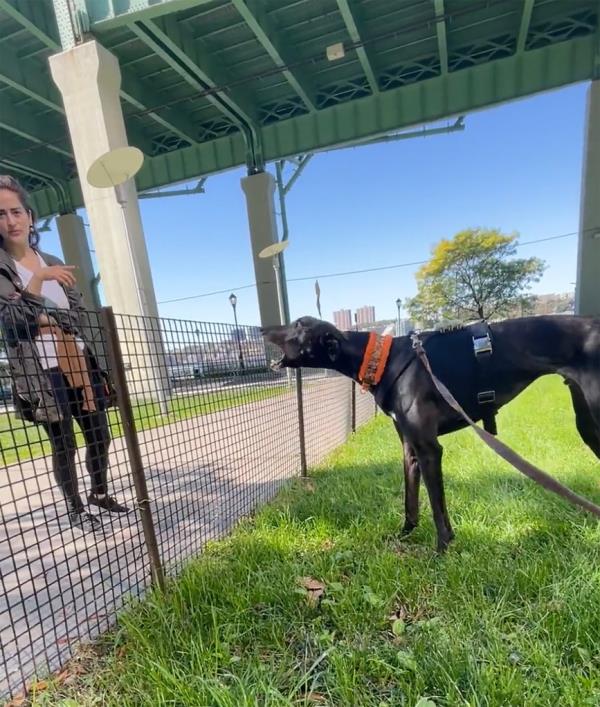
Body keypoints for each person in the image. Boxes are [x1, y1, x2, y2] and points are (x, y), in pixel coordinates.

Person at [0, 175, 129, 530]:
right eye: (0, 214)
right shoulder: (3, 267)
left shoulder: (51, 257)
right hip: (41, 371)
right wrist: (38, 281)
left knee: (100, 433)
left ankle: (98, 493)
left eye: (16, 211)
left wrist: (44, 316)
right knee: (64, 443)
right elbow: (10, 320)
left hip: (78, 360)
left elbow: (77, 314)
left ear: (29, 216)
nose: (10, 220)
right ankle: (75, 507)